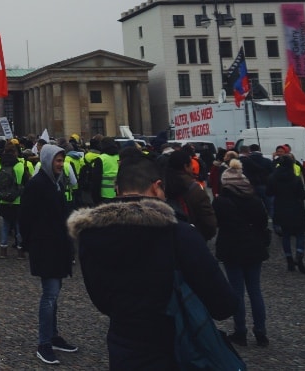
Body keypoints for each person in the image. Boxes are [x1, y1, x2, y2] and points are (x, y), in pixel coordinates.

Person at [67, 152, 236, 369]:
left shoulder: (90, 235)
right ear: (157, 187)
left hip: (123, 347)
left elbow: (100, 299)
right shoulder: (179, 234)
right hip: (176, 348)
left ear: (117, 189)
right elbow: (223, 305)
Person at [18, 144, 78, 365]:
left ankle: (52, 336)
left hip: (58, 246)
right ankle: (44, 343)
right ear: (47, 160)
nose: (61, 165)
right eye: (57, 160)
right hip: (45, 247)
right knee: (50, 295)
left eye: (62, 161)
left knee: (54, 294)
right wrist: (30, 242)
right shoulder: (37, 185)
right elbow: (25, 218)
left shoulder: (55, 183)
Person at [213, 159, 270, 347]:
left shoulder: (221, 201)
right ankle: (261, 332)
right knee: (255, 290)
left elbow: (217, 224)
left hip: (232, 248)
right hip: (254, 247)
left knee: (236, 291)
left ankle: (241, 331)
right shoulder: (255, 199)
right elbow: (263, 223)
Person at [267, 154, 305, 273]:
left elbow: (269, 193)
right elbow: (303, 195)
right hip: (296, 208)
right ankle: (299, 254)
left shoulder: (273, 177)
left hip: (280, 208)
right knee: (300, 234)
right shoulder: (295, 179)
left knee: (286, 235)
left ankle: (289, 258)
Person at [164, 149, 217, 241]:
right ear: (186, 166)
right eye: (191, 164)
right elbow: (208, 220)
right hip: (191, 236)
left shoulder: (161, 185)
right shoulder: (195, 188)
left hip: (167, 236)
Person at [0, 144, 28, 258]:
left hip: (2, 200)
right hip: (17, 200)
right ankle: (20, 251)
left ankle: (3, 250)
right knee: (18, 226)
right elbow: (24, 182)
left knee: (5, 224)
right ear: (15, 153)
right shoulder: (19, 165)